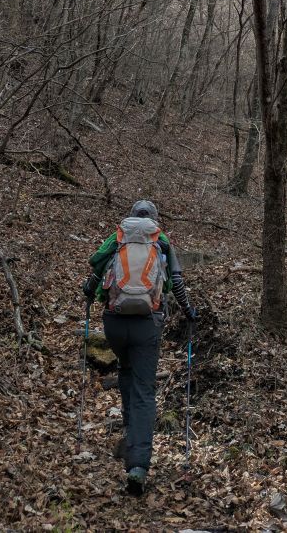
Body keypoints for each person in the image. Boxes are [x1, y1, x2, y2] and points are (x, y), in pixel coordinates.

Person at [82, 199, 196, 495]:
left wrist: (88, 293)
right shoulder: (161, 240)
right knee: (144, 390)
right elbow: (176, 282)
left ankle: (130, 436)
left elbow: (95, 271)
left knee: (126, 370)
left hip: (114, 324)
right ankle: (138, 465)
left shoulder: (117, 236)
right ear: (155, 219)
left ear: (132, 217)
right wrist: (188, 311)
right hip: (147, 324)